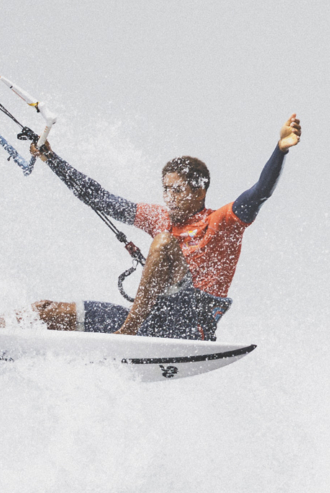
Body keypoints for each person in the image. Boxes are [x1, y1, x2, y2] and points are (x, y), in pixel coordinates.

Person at [27, 114, 301, 340]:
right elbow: (99, 197)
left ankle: (127, 335)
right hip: (151, 321)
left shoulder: (221, 223)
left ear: (199, 191)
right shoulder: (159, 217)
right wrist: (52, 159)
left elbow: (260, 193)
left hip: (190, 326)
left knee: (163, 242)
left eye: (177, 190)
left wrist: (280, 151)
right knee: (45, 311)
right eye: (165, 190)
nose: (169, 197)